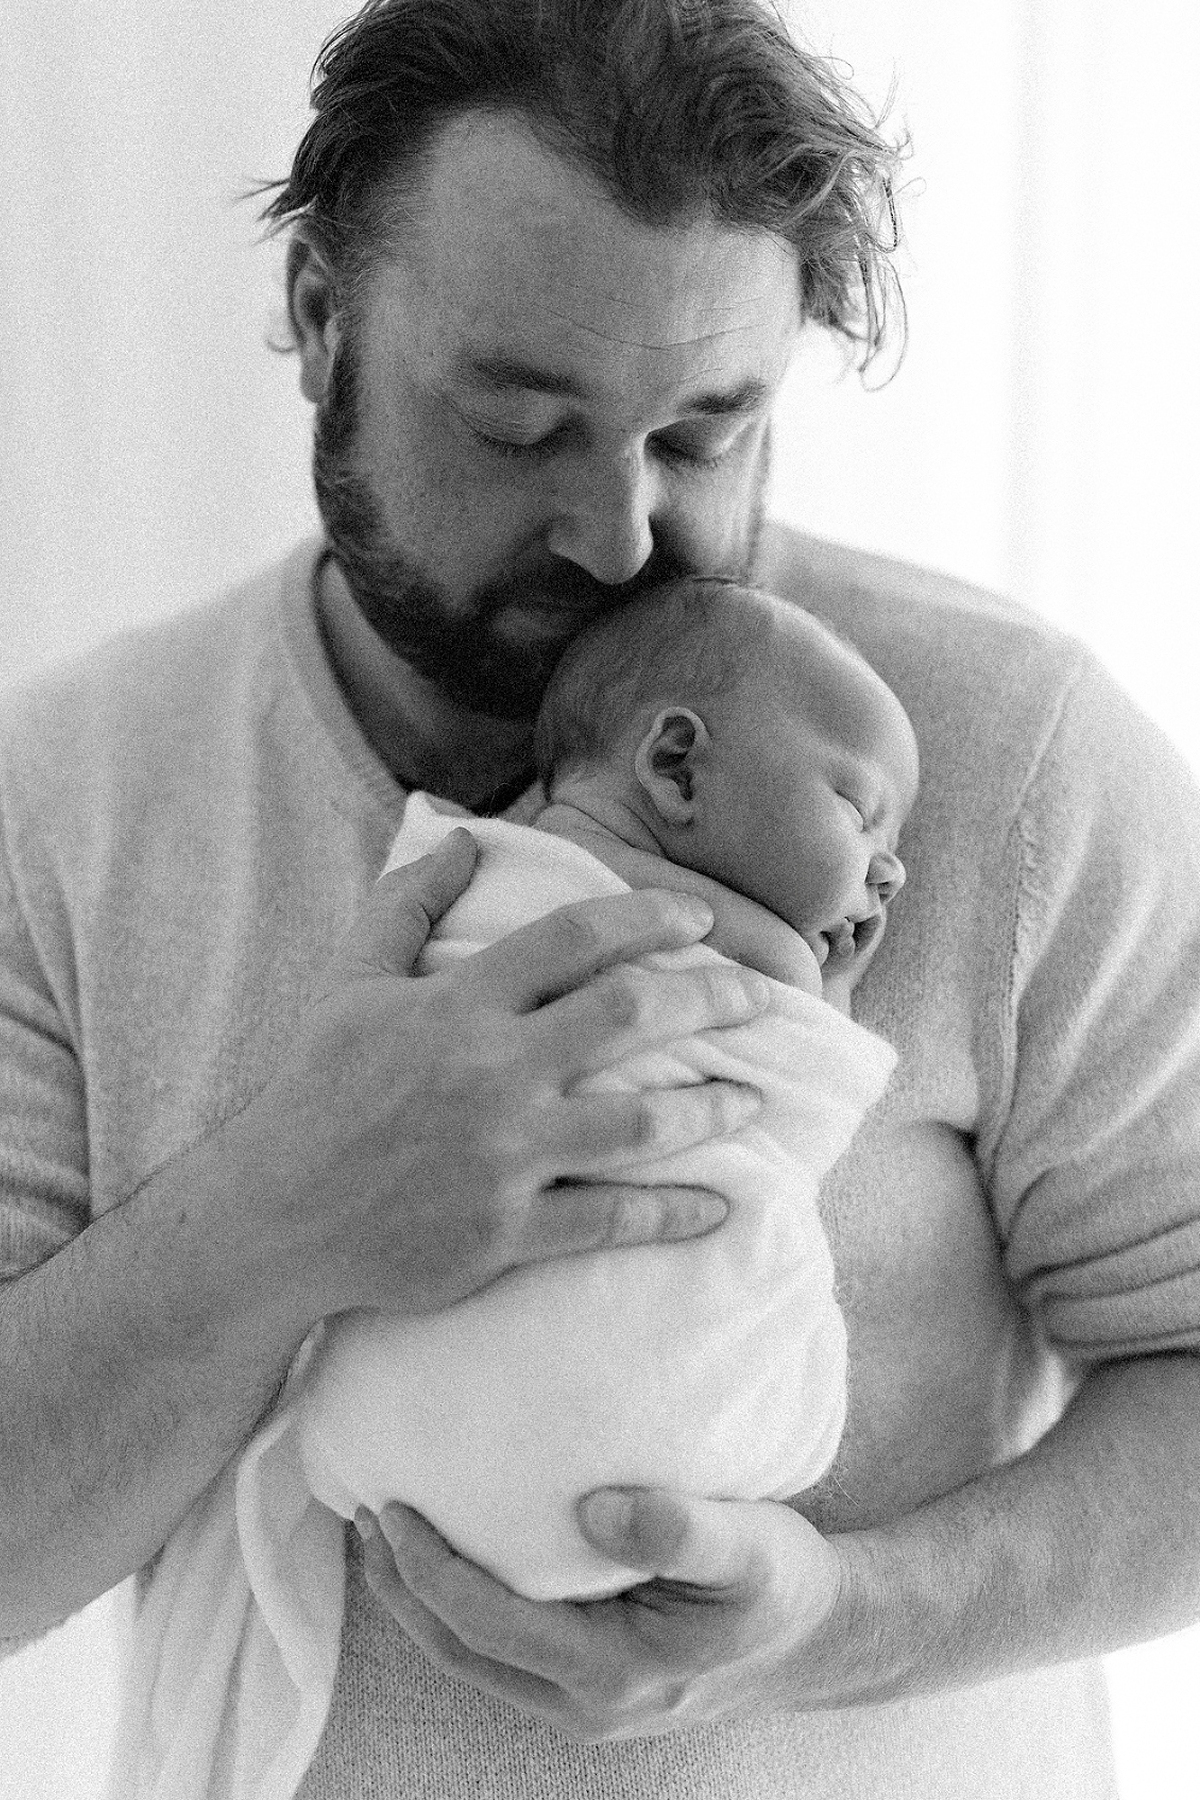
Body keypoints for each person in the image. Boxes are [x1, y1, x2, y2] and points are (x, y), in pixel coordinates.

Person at [1, 2, 1198, 1797]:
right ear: (321, 321)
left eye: (707, 432)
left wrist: (840, 1614)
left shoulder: (1005, 758)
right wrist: (290, 1209)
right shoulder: (68, 805)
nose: (622, 534)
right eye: (518, 422)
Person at [109, 580, 914, 1799]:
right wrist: (827, 999)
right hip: (641, 1480)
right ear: (678, 767)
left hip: (361, 1444)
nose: (893, 873)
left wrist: (843, 1617)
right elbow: (803, 1110)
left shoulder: (457, 866)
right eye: (861, 811)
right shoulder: (757, 955)